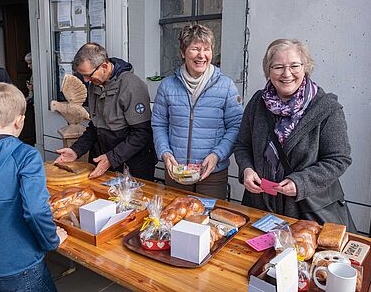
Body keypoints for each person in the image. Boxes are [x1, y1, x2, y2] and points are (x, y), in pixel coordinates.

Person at [234, 39, 356, 232]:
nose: (286, 73)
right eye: (278, 67)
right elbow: (242, 145)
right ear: (268, 70)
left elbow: (338, 159)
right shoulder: (258, 102)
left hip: (306, 215)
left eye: (294, 66)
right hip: (260, 209)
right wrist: (246, 170)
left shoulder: (326, 108)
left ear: (305, 67)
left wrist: (301, 182)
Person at [0, 82, 67, 291]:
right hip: (19, 265)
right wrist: (52, 240)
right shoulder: (26, 155)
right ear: (19, 121)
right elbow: (35, 210)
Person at [152, 24, 243, 200]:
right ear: (183, 52)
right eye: (195, 49)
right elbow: (159, 124)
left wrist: (218, 155)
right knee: (175, 218)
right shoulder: (167, 86)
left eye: (207, 49)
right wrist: (165, 152)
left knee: (207, 222)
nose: (202, 55)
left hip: (212, 173)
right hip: (176, 171)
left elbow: (235, 126)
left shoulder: (226, 86)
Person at [55, 43, 157, 181]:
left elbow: (141, 133)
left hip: (134, 166)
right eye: (82, 76)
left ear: (104, 66)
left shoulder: (132, 85)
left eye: (88, 75)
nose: (86, 80)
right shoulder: (94, 85)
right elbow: (94, 128)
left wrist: (111, 158)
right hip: (105, 162)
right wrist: (75, 151)